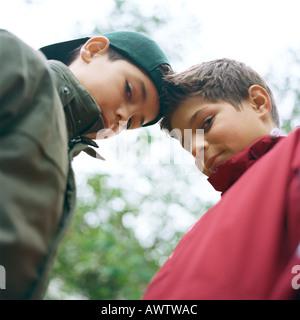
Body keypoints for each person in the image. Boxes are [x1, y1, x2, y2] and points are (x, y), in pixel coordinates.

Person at [0, 29, 171, 300]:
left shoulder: (65, 171)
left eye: (133, 123)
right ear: (93, 50)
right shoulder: (14, 61)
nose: (122, 116)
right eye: (129, 90)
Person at [143, 58, 300, 300]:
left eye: (206, 123)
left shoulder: (293, 159)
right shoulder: (195, 235)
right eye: (187, 145)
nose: (197, 149)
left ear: (258, 103)